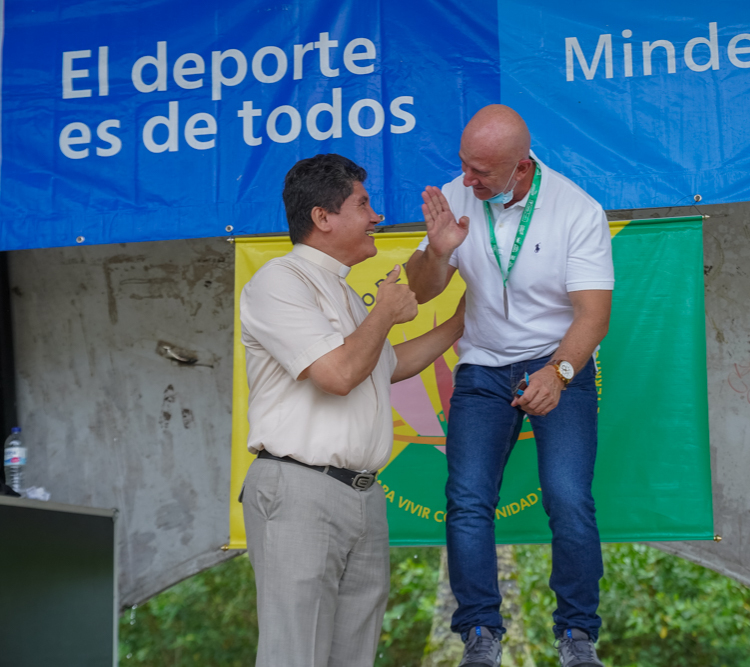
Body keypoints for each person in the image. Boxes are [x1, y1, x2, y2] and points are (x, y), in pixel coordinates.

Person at [407, 105, 614, 667]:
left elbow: (593, 315)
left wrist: (561, 372)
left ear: (522, 167)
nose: (468, 181)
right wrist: (437, 250)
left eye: (481, 172)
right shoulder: (457, 195)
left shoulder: (577, 210)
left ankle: (576, 634)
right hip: (482, 365)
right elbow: (422, 291)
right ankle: (479, 633)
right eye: (464, 166)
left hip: (557, 363)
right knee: (467, 500)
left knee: (568, 497)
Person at [239, 153, 464, 667]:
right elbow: (339, 375)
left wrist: (459, 325)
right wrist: (385, 312)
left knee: (353, 656)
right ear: (323, 217)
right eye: (363, 204)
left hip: (361, 495)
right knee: (294, 656)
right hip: (301, 489)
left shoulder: (343, 292)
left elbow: (386, 365)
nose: (376, 216)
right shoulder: (280, 282)